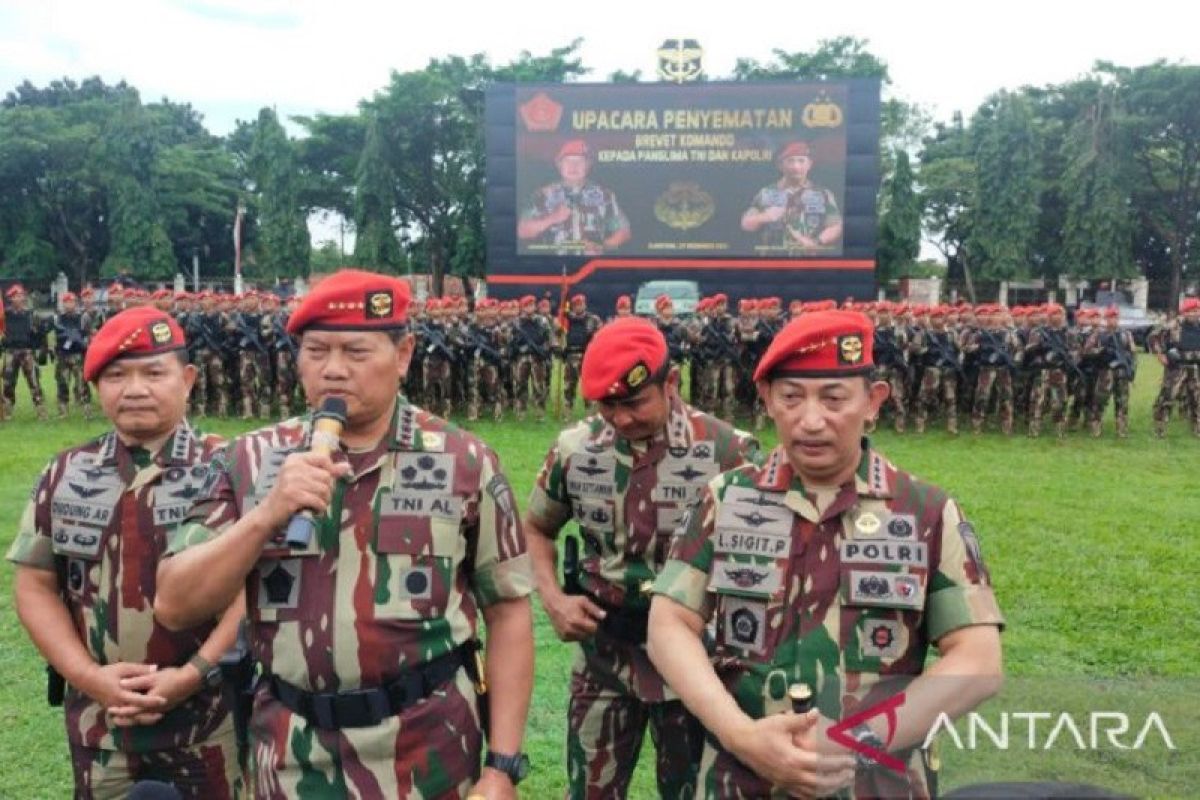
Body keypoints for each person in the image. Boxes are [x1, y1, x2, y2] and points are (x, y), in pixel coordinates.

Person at [153, 269, 535, 799]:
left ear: (402, 356)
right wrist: (265, 516)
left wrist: (501, 767)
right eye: (316, 351)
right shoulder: (247, 460)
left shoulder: (464, 461)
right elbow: (174, 603)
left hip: (430, 753)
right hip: (290, 754)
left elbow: (509, 609)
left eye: (356, 352)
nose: (333, 370)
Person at [648, 310, 1004, 799]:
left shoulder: (925, 511)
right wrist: (741, 736)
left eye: (834, 398)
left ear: (873, 402)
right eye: (791, 397)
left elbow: (979, 658)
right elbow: (668, 623)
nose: (811, 420)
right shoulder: (724, 500)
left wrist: (854, 743)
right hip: (741, 779)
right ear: (768, 400)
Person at [8, 306, 242, 799]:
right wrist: (89, 677)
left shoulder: (231, 469)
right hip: (101, 727)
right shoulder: (65, 473)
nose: (134, 388)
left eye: (154, 372)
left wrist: (193, 674)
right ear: (97, 386)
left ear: (189, 378)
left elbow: (257, 591)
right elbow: (35, 585)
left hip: (210, 723)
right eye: (116, 375)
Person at [524, 316, 759, 799]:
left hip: (695, 663)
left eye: (634, 403)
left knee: (691, 791)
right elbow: (536, 528)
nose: (621, 418)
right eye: (607, 406)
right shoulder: (576, 449)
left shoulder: (727, 451)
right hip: (603, 657)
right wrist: (552, 599)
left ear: (670, 383)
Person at [518, 139, 631, 255]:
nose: (573, 166)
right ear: (559, 165)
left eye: (579, 161)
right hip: (552, 266)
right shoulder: (542, 195)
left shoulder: (604, 195)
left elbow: (624, 231)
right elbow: (522, 231)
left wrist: (603, 246)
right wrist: (552, 218)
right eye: (568, 161)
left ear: (587, 166)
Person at [740, 141, 844, 253]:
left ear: (809, 164)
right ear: (780, 165)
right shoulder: (766, 193)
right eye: (790, 161)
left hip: (807, 262)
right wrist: (766, 216)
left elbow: (836, 226)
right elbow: (746, 224)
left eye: (801, 161)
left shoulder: (823, 194)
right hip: (773, 261)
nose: (796, 166)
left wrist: (816, 242)